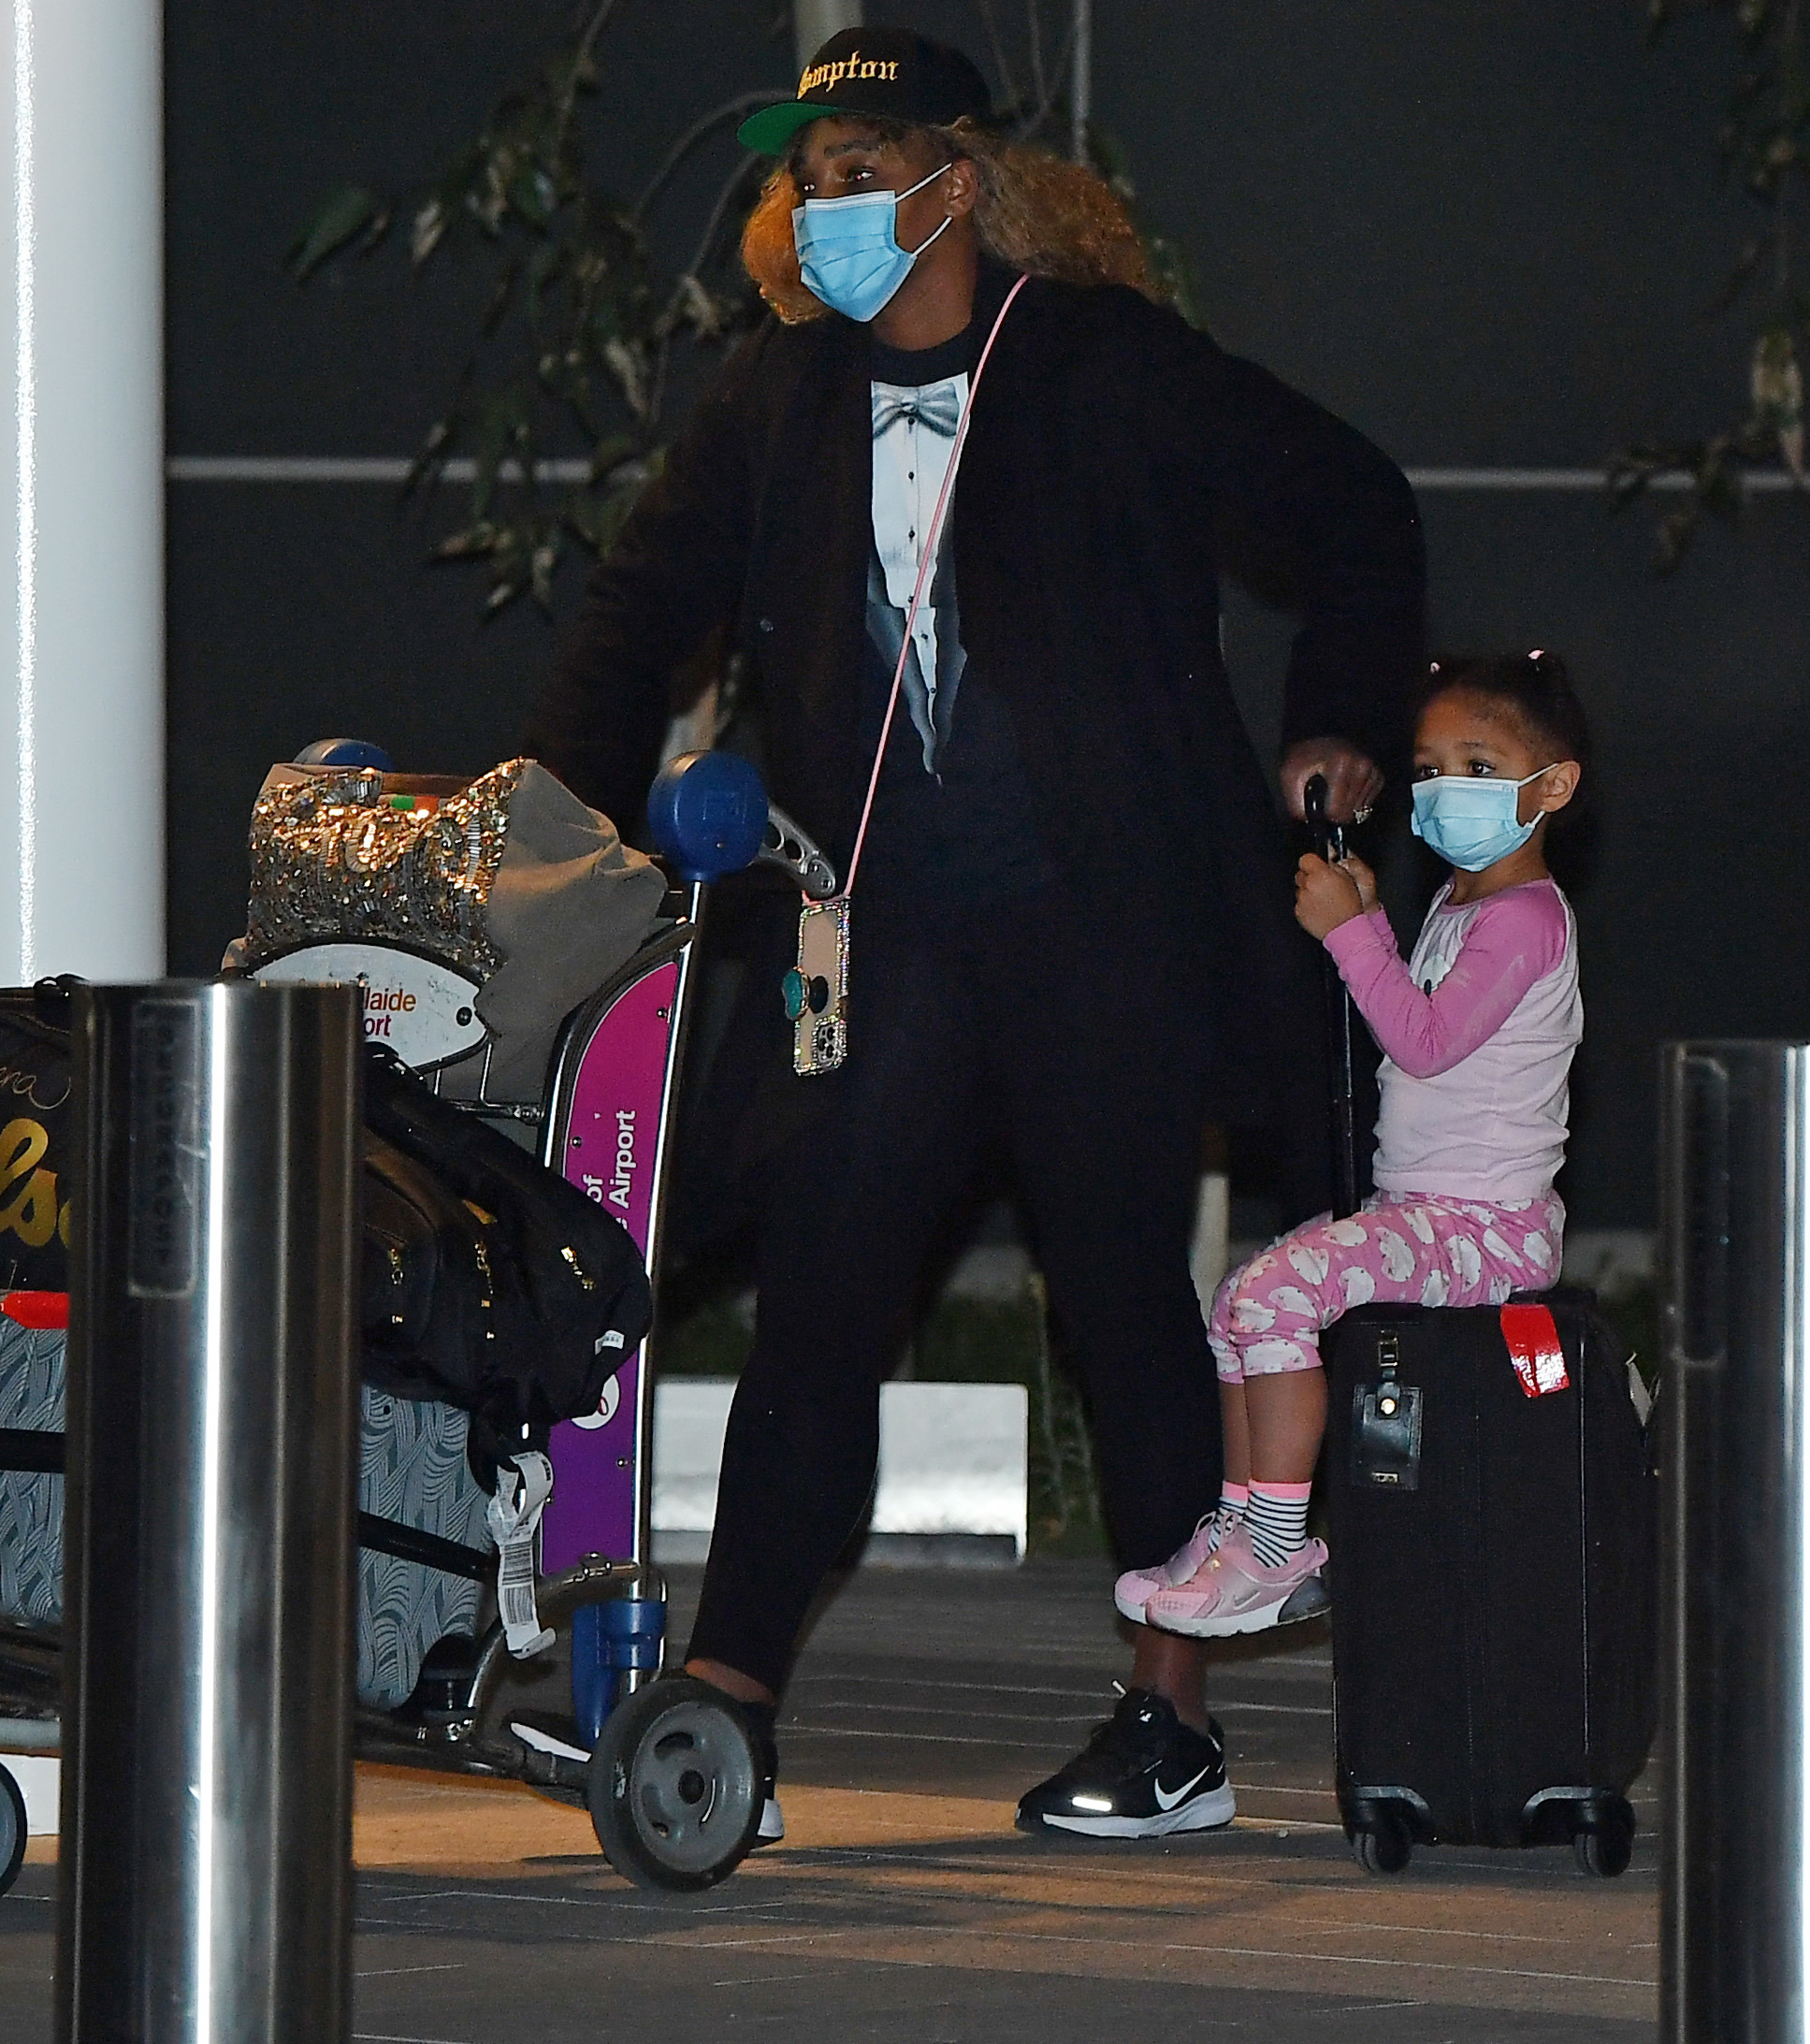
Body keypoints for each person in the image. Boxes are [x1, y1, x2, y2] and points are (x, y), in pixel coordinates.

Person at [523, 25, 1423, 1841]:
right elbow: (639, 616)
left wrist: (1337, 716)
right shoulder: (777, 402)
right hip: (890, 936)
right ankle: (728, 1707)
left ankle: (1166, 1719)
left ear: (956, 177)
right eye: (809, 178)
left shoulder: (1094, 365)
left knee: (1119, 1302)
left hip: (1103, 927)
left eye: (863, 169)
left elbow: (1352, 506)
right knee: (820, 1291)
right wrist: (547, 825)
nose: (828, 207)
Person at [1121, 653, 1586, 1639]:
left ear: (1549, 787)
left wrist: (1352, 931)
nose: (1442, 787)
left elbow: (1421, 1041)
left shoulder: (1523, 920)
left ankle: (1280, 1546)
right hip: (1424, 1212)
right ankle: (1243, 1525)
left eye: (1476, 762)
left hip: (1486, 1227)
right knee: (1238, 1301)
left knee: (1277, 1294)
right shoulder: (1464, 905)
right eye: (1426, 766)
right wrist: (1369, 921)